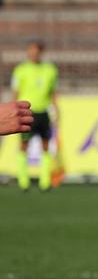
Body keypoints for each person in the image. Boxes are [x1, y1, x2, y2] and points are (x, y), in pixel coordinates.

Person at [10, 41, 58, 191]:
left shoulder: (50, 70)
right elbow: (16, 92)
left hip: (44, 112)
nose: (33, 55)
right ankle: (23, 181)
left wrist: (57, 110)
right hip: (27, 112)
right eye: (30, 51)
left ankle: (45, 181)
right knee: (24, 145)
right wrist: (13, 110)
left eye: (36, 52)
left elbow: (52, 92)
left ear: (40, 53)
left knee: (45, 145)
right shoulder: (20, 70)